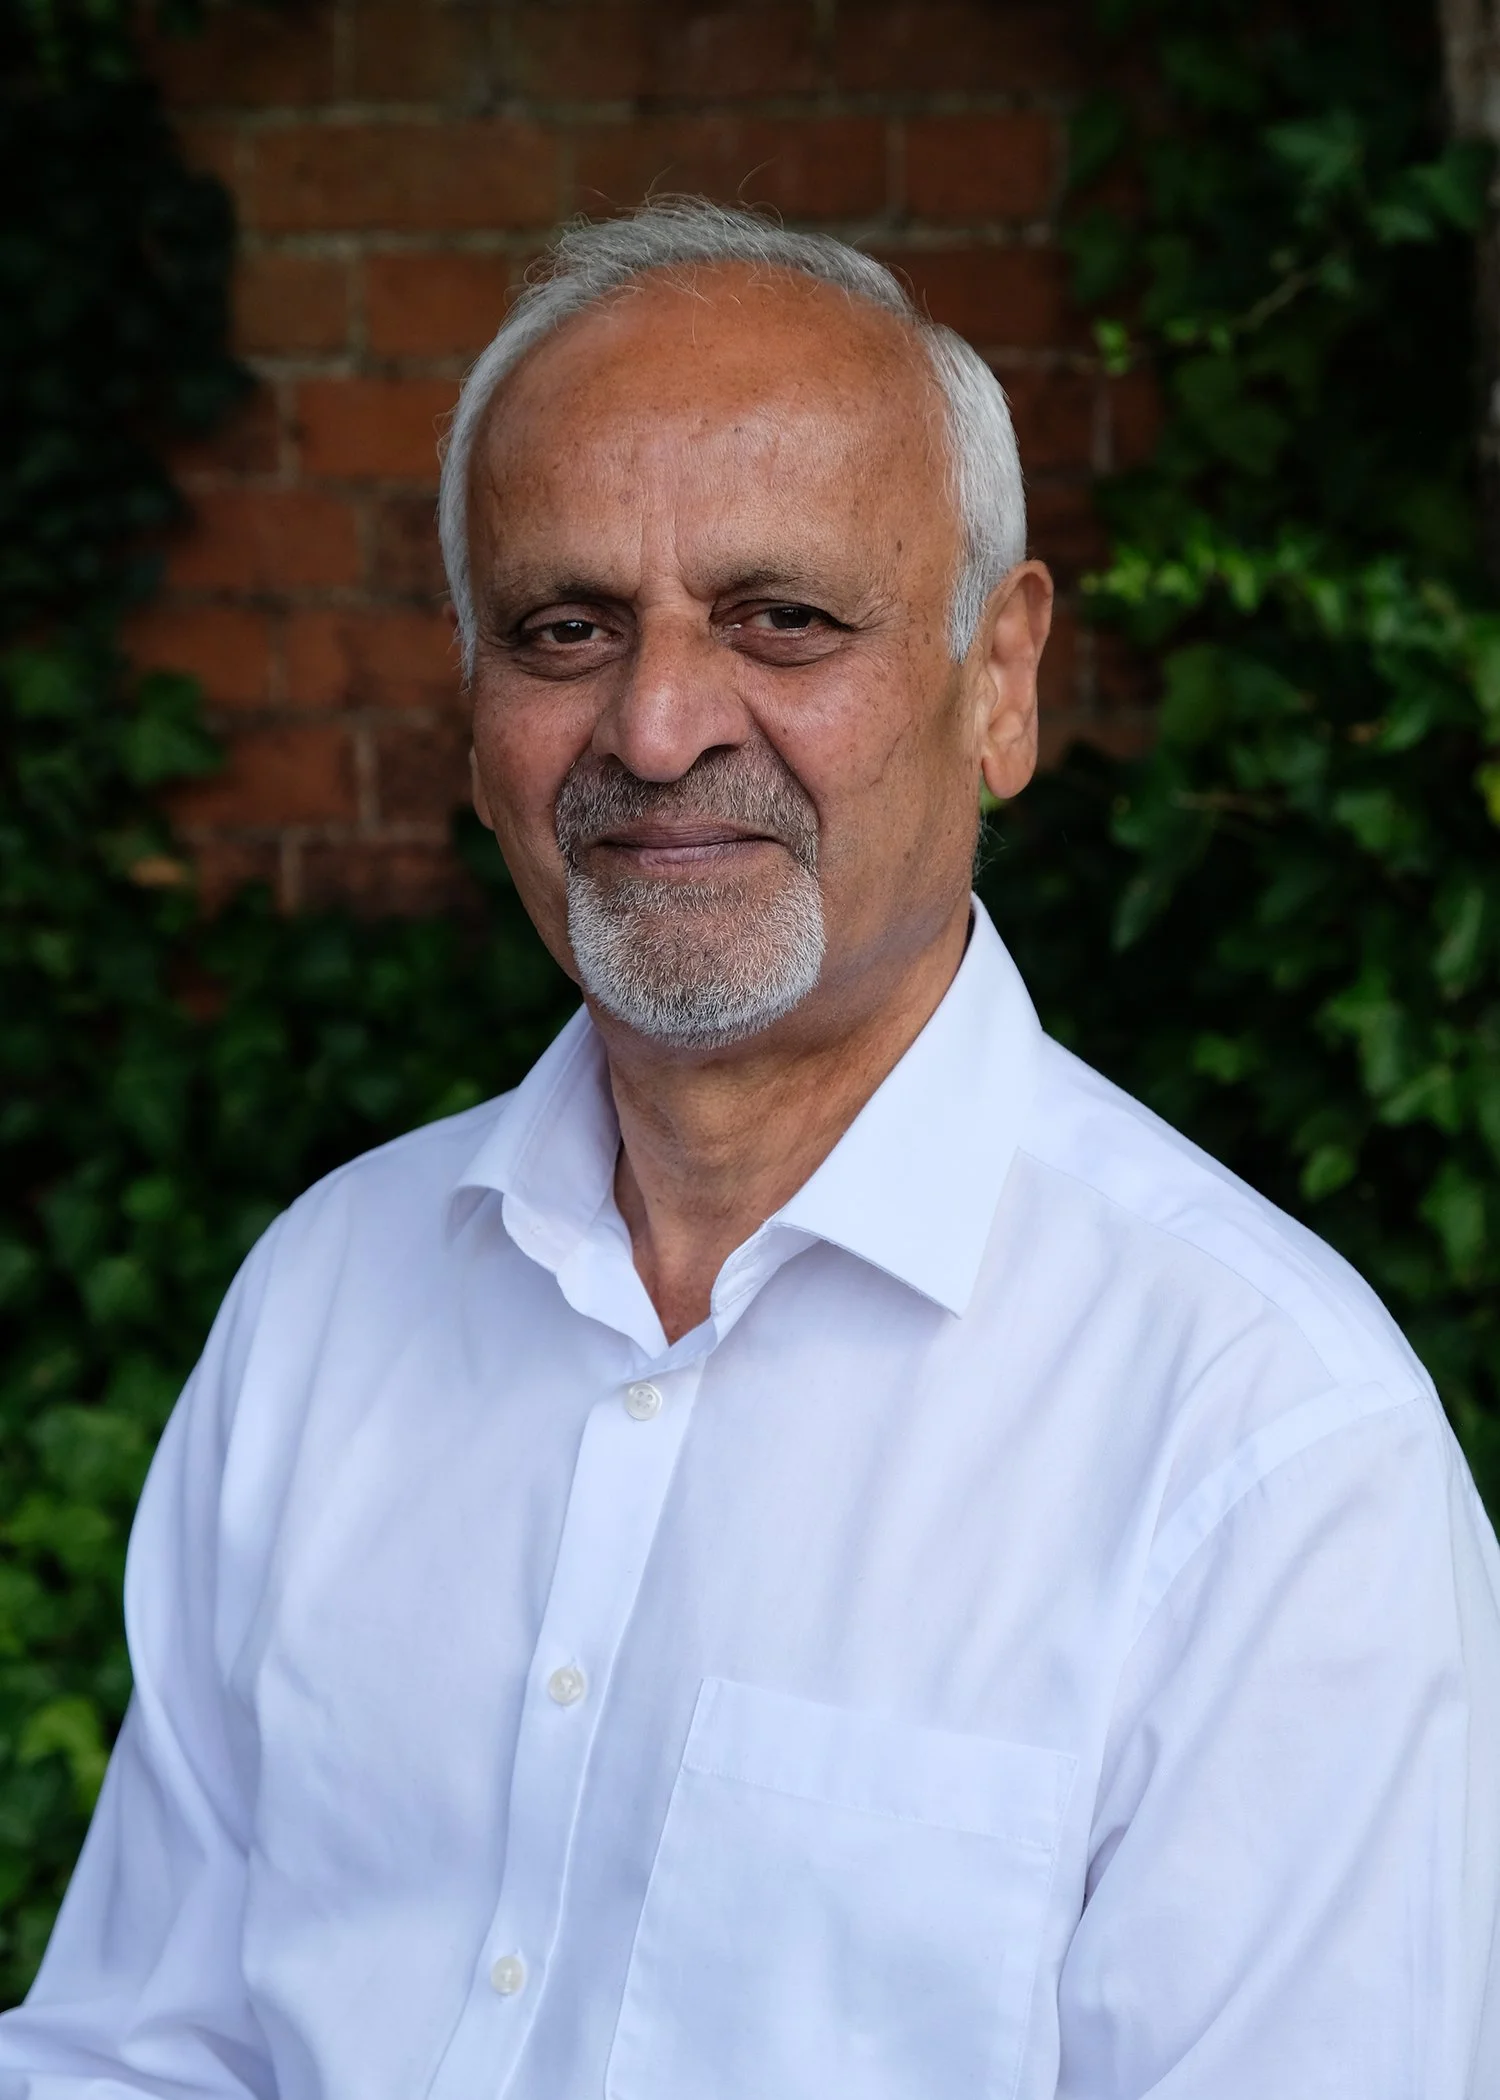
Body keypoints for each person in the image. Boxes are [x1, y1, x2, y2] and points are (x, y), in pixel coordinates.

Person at [0, 197, 1496, 2100]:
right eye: (565, 629)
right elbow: (140, 2052)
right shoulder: (328, 1300)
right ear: (472, 711)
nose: (656, 723)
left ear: (1002, 682)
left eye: (783, 619)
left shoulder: (1265, 1447)